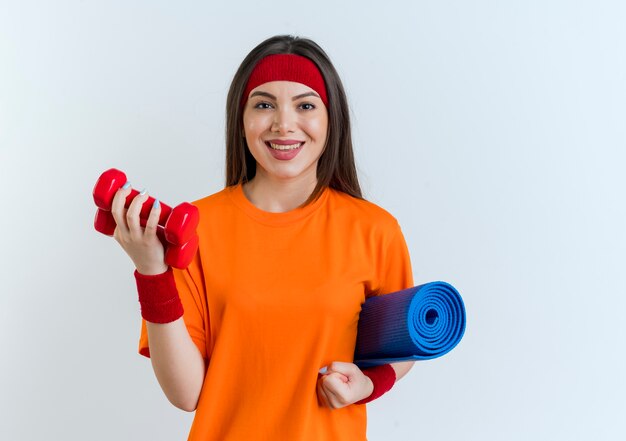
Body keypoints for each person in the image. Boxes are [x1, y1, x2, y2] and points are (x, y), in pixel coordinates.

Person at [110, 35, 415, 440]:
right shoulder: (197, 228)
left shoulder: (374, 230)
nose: (283, 123)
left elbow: (406, 344)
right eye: (264, 104)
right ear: (242, 118)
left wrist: (369, 384)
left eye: (305, 105)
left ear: (330, 119)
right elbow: (186, 394)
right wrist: (152, 271)